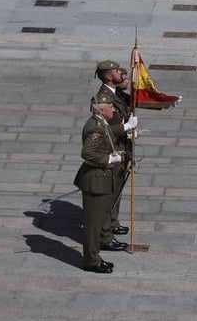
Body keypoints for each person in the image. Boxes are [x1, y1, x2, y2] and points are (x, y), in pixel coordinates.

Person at [73, 98, 133, 272]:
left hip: (102, 181)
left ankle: (95, 256)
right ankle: (91, 261)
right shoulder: (95, 128)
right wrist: (107, 159)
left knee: (98, 222)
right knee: (93, 225)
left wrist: (125, 127)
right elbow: (87, 153)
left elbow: (110, 132)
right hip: (96, 182)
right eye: (110, 107)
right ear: (101, 111)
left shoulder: (101, 123)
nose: (113, 109)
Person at [94, 61, 133, 235]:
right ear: (109, 76)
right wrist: (125, 128)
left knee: (117, 187)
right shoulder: (103, 99)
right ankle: (106, 229)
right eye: (117, 71)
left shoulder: (115, 93)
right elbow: (103, 129)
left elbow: (130, 104)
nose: (121, 73)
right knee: (111, 190)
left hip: (122, 145)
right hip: (112, 149)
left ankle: (113, 221)